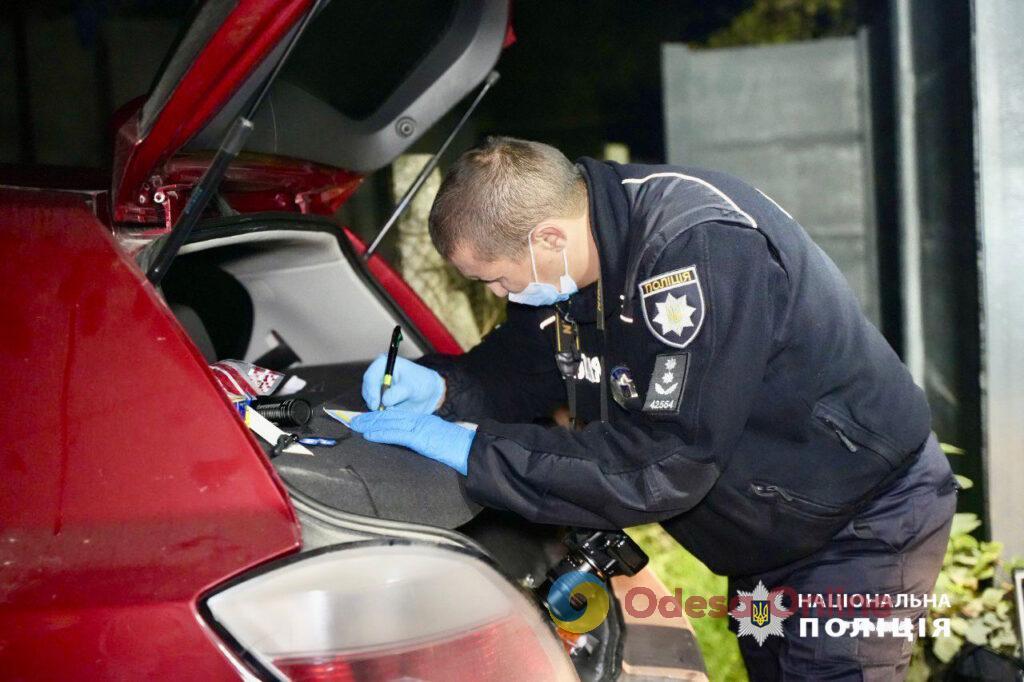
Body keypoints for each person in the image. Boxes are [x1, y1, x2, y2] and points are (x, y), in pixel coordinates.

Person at [348, 137, 957, 680]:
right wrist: (445, 388)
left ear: (548, 238)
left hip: (859, 520)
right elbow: (529, 364)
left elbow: (662, 463)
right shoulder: (574, 259)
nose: (504, 296)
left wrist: (473, 451)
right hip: (765, 531)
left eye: (498, 282)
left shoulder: (696, 250)